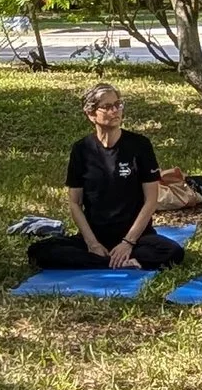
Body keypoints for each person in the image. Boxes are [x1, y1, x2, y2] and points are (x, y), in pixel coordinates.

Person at [27, 83, 189, 273]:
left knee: (173, 252)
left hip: (136, 237)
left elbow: (151, 200)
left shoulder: (140, 145)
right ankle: (113, 261)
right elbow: (75, 203)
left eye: (118, 104)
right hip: (95, 236)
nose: (115, 111)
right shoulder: (81, 149)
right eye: (107, 106)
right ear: (91, 114)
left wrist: (128, 242)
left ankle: (110, 260)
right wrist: (92, 243)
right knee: (38, 252)